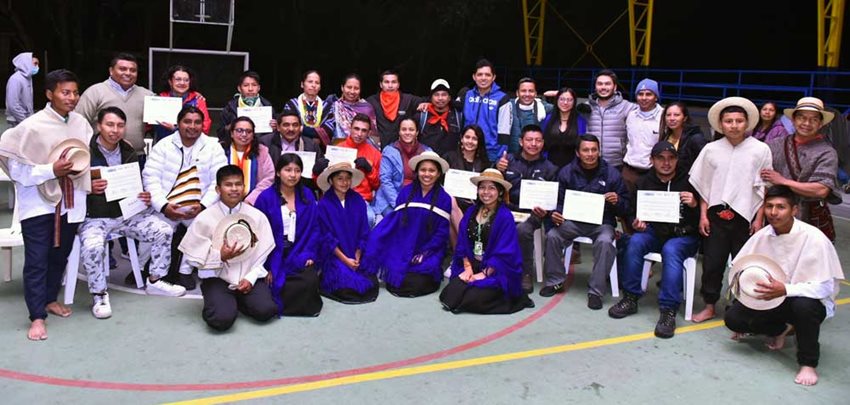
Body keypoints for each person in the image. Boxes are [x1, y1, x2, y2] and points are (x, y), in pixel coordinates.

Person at [0, 69, 92, 340]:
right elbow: (17, 171)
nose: (72, 98)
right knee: (37, 260)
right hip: (39, 203)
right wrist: (52, 170)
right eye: (66, 92)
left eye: (75, 92)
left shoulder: (80, 123)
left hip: (72, 203)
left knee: (59, 256)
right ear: (49, 94)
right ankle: (36, 316)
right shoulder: (31, 126)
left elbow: (86, 161)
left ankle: (50, 299)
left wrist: (90, 179)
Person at [724, 185, 845, 386]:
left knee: (803, 307)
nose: (773, 212)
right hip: (773, 298)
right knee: (734, 318)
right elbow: (741, 269)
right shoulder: (763, 235)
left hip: (806, 300)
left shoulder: (813, 238)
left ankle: (808, 363)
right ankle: (780, 329)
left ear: (794, 210)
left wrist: (787, 289)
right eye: (769, 206)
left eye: (781, 207)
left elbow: (824, 289)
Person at [80, 107, 186, 319]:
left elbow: (134, 186)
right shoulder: (84, 153)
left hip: (126, 215)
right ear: (99, 126)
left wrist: (144, 197)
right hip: (94, 217)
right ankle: (99, 294)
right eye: (110, 125)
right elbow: (69, 185)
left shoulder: (129, 152)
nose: (115, 130)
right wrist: (89, 186)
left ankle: (155, 280)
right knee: (93, 246)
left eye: (120, 125)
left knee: (163, 229)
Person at [688, 97, 772, 323]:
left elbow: (763, 188)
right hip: (716, 215)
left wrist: (759, 219)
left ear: (747, 123)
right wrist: (704, 215)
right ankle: (709, 305)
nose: (734, 125)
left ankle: (742, 309)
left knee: (744, 265)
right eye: (728, 121)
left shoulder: (760, 149)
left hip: (746, 217)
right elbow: (705, 185)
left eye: (738, 121)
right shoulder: (711, 149)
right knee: (712, 263)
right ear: (720, 124)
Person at [607, 141, 700, 338]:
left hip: (683, 235)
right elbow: (631, 213)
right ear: (652, 160)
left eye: (671, 158)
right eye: (660, 158)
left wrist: (694, 205)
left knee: (671, 250)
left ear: (676, 160)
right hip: (654, 232)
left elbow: (704, 216)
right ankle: (631, 297)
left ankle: (668, 310)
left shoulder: (690, 182)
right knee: (635, 242)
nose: (666, 163)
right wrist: (636, 223)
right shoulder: (644, 183)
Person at [178, 165, 277, 331]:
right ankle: (223, 301)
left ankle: (237, 300)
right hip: (218, 278)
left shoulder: (256, 216)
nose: (234, 189)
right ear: (218, 189)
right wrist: (220, 256)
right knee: (220, 320)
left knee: (266, 311)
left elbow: (262, 253)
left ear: (244, 188)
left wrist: (251, 278)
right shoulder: (205, 218)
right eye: (228, 185)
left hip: (247, 275)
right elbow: (193, 256)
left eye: (238, 184)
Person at [540, 135, 630, 310]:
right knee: (552, 236)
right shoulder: (566, 172)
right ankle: (555, 281)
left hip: (602, 223)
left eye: (594, 150)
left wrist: (617, 200)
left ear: (599, 151)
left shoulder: (612, 174)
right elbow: (557, 201)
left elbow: (626, 208)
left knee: (605, 242)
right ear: (578, 153)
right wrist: (555, 213)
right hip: (573, 221)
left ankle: (595, 291)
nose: (590, 154)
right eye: (585, 150)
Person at [143, 105, 227, 290]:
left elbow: (218, 180)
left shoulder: (213, 146)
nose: (192, 126)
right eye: (187, 121)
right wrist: (164, 206)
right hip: (168, 205)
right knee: (155, 228)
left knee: (207, 226)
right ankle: (146, 268)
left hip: (199, 207)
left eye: (197, 122)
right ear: (178, 123)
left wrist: (203, 206)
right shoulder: (163, 146)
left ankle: (185, 270)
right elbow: (150, 179)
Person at [439, 169, 534, 314]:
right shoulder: (471, 211)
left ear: (500, 192)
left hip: (496, 269)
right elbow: (462, 242)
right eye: (482, 187)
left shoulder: (505, 217)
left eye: (492, 188)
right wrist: (468, 268)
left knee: (474, 297)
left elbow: (505, 252)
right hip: (473, 264)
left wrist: (484, 273)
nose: (486, 192)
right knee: (449, 293)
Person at [363, 151, 452, 297]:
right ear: (417, 172)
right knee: (396, 279)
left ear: (438, 174)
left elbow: (441, 233)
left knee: (418, 282)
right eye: (423, 170)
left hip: (429, 250)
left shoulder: (444, 199)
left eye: (431, 170)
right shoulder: (406, 192)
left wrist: (425, 252)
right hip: (404, 245)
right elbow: (396, 223)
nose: (427, 174)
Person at [762, 97, 842, 241]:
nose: (806, 123)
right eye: (802, 117)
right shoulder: (774, 145)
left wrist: (783, 181)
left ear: (821, 123)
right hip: (777, 216)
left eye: (814, 119)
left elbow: (821, 189)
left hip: (810, 216)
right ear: (793, 119)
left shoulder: (827, 152)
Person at [253, 154, 323, 317]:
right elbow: (258, 234)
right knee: (273, 282)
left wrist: (310, 253)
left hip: (299, 249)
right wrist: (268, 265)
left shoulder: (307, 195)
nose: (293, 175)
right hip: (273, 251)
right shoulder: (265, 198)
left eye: (297, 171)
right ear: (278, 173)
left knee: (309, 280)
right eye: (288, 170)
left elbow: (315, 228)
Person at [496, 125, 558, 293]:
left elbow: (554, 201)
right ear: (520, 142)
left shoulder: (550, 169)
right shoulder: (507, 161)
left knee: (523, 230)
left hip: (532, 214)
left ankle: (525, 274)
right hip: (507, 209)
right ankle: (490, 267)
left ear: (543, 143)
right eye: (529, 140)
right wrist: (497, 170)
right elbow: (492, 185)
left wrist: (547, 211)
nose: (533, 144)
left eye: (538, 140)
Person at [316, 162, 378, 304]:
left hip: (356, 253)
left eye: (347, 178)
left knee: (368, 283)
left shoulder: (358, 200)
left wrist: (357, 255)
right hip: (336, 256)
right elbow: (327, 238)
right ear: (331, 180)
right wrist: (345, 260)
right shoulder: (324, 204)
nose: (344, 182)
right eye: (340, 178)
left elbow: (363, 231)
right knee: (347, 287)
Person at [76, 53, 154, 161]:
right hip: (100, 156)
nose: (128, 73)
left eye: (132, 70)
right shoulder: (95, 92)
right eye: (122, 69)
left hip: (136, 156)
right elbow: (78, 123)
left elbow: (162, 125)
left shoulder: (148, 96)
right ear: (111, 71)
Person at [314, 113, 381, 224]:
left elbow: (377, 185)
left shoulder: (375, 154)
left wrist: (369, 170)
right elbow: (323, 182)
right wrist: (316, 172)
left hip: (361, 198)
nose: (359, 134)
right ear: (350, 128)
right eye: (356, 129)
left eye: (364, 131)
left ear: (369, 133)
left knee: (369, 218)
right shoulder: (337, 149)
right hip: (336, 196)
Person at [374, 117, 432, 218]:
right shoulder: (389, 151)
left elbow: (431, 180)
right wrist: (399, 204)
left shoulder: (427, 152)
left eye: (411, 129)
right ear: (399, 132)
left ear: (417, 132)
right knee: (398, 219)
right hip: (391, 199)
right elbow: (385, 180)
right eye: (404, 129)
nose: (407, 132)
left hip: (417, 199)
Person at [582, 69, 635, 169]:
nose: (603, 87)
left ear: (615, 87)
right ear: (595, 87)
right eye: (600, 84)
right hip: (591, 163)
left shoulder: (627, 107)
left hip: (617, 164)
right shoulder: (586, 107)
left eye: (607, 84)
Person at [461, 59, 511, 161]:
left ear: (493, 77)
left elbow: (504, 132)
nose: (483, 78)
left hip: (491, 153)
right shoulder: (466, 95)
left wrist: (500, 157)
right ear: (474, 77)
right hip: (467, 150)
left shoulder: (502, 99)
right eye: (480, 75)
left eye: (487, 75)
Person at [220, 117, 275, 205]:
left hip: (253, 203)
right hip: (222, 202)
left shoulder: (261, 151)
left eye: (248, 131)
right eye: (239, 130)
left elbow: (269, 178)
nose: (244, 134)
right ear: (231, 133)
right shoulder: (220, 150)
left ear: (253, 135)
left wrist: (250, 200)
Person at [366, 70, 425, 147]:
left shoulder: (407, 100)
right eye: (386, 82)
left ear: (398, 85)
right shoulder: (372, 101)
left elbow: (432, 100)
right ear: (381, 84)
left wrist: (426, 104)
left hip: (402, 150)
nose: (390, 86)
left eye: (393, 82)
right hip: (378, 148)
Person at [622, 79, 663, 192]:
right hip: (629, 171)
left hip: (652, 172)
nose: (644, 97)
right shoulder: (631, 115)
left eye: (649, 94)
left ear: (656, 97)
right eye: (640, 94)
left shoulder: (663, 117)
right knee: (627, 205)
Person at [153, 65, 212, 141]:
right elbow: (148, 126)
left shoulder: (198, 100)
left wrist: (176, 129)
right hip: (163, 146)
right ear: (170, 82)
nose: (182, 83)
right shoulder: (159, 100)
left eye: (186, 80)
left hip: (192, 146)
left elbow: (205, 128)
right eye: (178, 79)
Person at [218, 71, 275, 141]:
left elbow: (275, 137)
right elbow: (220, 134)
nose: (250, 89)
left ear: (259, 88)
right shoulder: (229, 108)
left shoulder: (266, 106)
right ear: (239, 88)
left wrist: (276, 127)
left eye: (254, 85)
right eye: (246, 85)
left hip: (261, 147)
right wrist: (231, 126)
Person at [282, 70, 335, 147]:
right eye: (310, 82)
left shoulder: (327, 106)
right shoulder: (291, 104)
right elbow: (289, 127)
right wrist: (315, 135)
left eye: (317, 83)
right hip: (295, 147)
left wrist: (302, 129)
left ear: (320, 87)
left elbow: (327, 130)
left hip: (319, 149)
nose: (313, 85)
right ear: (302, 84)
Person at [414, 79, 463, 156]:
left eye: (444, 95)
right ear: (431, 98)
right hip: (427, 162)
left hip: (450, 164)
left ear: (449, 98)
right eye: (436, 94)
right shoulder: (421, 116)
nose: (440, 98)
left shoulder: (458, 116)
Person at [540, 87, 586, 168]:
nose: (565, 102)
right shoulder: (548, 119)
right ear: (556, 100)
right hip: (548, 166)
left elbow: (582, 145)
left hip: (572, 168)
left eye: (569, 100)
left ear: (574, 102)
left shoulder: (580, 121)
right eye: (562, 99)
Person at [506, 77, 553, 154]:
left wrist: (559, 94)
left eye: (531, 91)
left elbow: (566, 107)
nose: (527, 94)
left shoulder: (544, 107)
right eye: (523, 91)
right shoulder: (507, 106)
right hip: (512, 157)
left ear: (536, 93)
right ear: (517, 93)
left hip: (535, 158)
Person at [658, 101, 706, 174]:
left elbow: (704, 165)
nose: (672, 118)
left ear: (685, 118)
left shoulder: (695, 138)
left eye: (676, 115)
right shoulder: (666, 136)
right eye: (668, 115)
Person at [331, 74, 379, 146]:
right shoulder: (334, 106)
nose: (352, 91)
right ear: (342, 87)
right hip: (339, 149)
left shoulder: (367, 108)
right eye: (349, 87)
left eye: (356, 88)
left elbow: (374, 136)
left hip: (363, 149)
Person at [5, 52, 39, 126]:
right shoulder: (16, 79)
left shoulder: (27, 78)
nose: (37, 67)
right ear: (26, 63)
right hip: (17, 121)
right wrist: (24, 120)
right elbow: (13, 105)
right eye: (35, 63)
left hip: (25, 120)